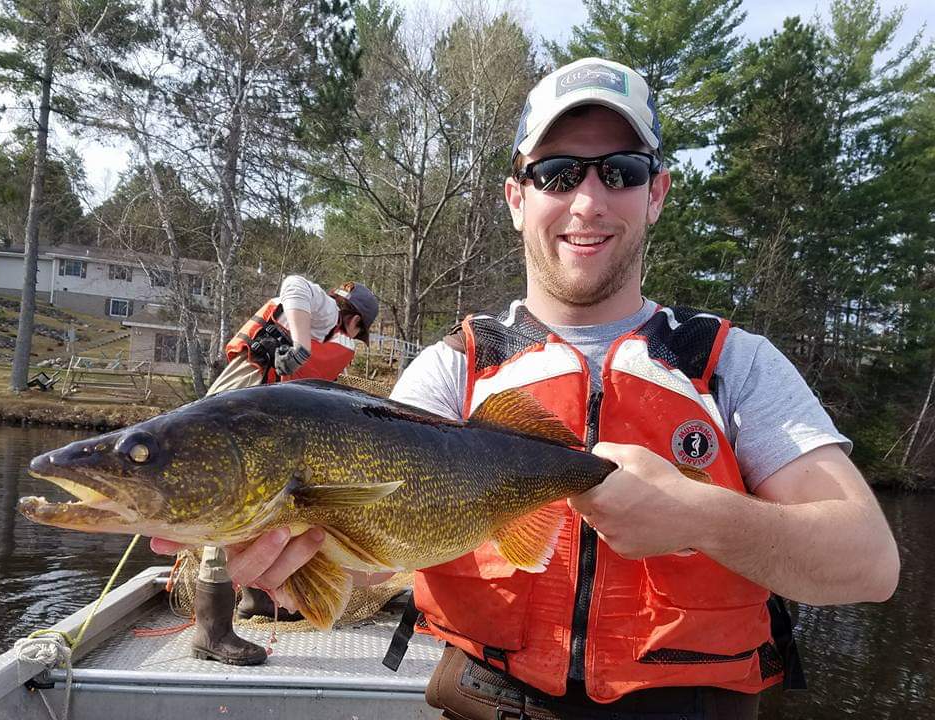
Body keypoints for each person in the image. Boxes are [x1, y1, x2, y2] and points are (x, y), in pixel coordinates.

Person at [154, 57, 899, 719]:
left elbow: (869, 563)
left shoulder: (734, 365)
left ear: (658, 193)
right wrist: (295, 568)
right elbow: (369, 571)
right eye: (557, 174)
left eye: (621, 171)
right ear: (516, 197)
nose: (588, 201)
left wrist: (700, 516)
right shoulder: (452, 371)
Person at [191, 274, 378, 666]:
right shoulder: (326, 313)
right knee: (227, 504)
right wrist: (301, 343)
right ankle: (212, 632)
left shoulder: (327, 331)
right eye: (358, 331)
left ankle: (257, 598)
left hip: (261, 409)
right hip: (242, 402)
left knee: (270, 500)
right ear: (355, 319)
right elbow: (293, 284)